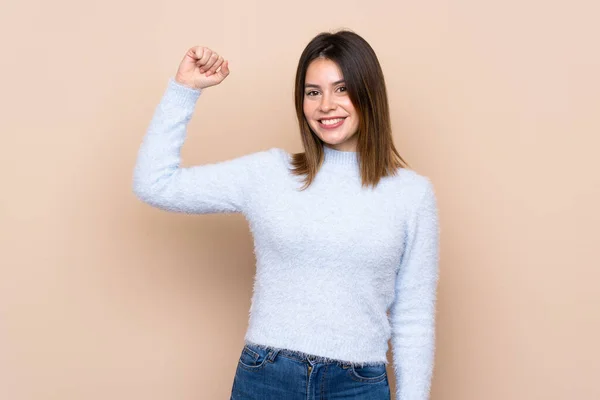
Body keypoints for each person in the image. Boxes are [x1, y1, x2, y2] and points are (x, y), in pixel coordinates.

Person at [132, 29, 440, 400]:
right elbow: (154, 183)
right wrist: (184, 89)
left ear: (369, 94)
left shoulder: (411, 194)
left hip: (358, 386)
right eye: (313, 92)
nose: (326, 104)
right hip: (267, 378)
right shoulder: (269, 174)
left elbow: (414, 318)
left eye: (342, 89)